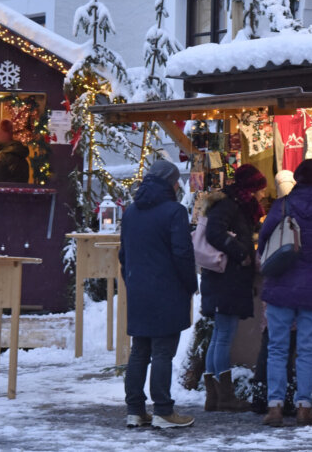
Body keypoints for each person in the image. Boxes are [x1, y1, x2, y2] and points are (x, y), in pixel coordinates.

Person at [256, 159, 312, 427]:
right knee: (307, 349)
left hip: (281, 285)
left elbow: (264, 241)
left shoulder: (283, 206)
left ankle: (275, 407)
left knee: (277, 348)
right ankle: (304, 406)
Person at [118, 159, 198, 429]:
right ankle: (163, 410)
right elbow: (182, 253)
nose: (178, 185)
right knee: (163, 351)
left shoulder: (130, 212)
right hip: (167, 289)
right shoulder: (174, 211)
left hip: (139, 289)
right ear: (170, 183)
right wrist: (190, 284)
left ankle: (135, 411)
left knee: (140, 351)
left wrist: (133, 282)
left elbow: (124, 255)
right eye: (176, 181)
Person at [199, 163, 267, 412]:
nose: (262, 195)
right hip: (226, 278)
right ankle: (224, 396)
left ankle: (214, 396)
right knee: (224, 335)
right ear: (248, 189)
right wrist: (241, 254)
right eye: (259, 189)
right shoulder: (229, 205)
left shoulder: (233, 205)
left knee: (219, 335)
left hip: (223, 278)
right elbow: (215, 234)